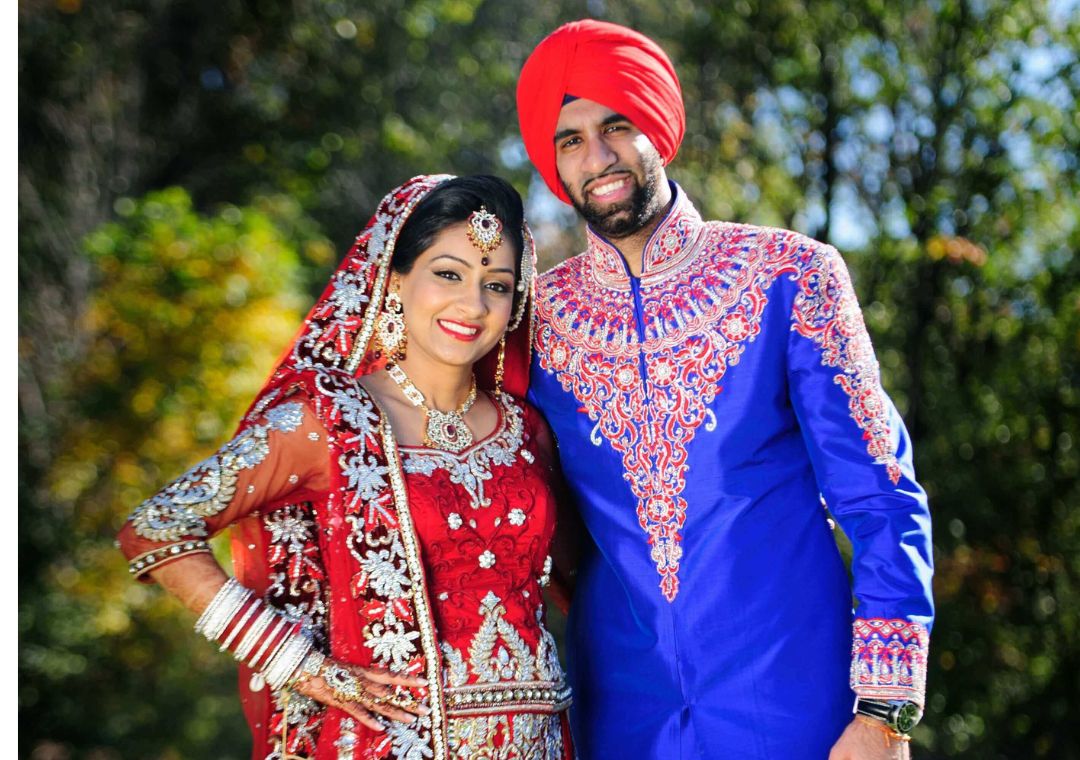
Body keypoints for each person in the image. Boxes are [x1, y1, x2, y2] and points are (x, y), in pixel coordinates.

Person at [516, 20, 934, 760]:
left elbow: (880, 497)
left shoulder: (789, 275)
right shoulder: (537, 322)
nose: (599, 157)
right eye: (571, 140)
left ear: (657, 127)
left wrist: (884, 711)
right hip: (621, 713)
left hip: (798, 701)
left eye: (616, 125)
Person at [117, 175, 574, 760]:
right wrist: (297, 663)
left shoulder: (525, 429)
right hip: (388, 745)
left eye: (499, 285)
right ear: (395, 277)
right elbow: (156, 527)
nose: (474, 304)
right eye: (449, 274)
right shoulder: (328, 420)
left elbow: (580, 579)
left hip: (540, 744)